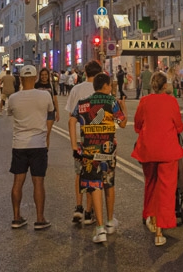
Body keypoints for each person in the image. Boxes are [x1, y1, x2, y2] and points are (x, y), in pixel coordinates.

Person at [70, 72, 126, 244]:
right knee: (108, 183)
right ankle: (110, 222)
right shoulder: (112, 102)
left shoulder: (83, 103)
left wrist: (74, 146)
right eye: (110, 85)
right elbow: (122, 123)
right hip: (108, 151)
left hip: (88, 151)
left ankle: (100, 228)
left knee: (95, 186)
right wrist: (123, 107)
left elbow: (72, 121)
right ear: (106, 86)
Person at [133, 71, 183, 247]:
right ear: (165, 86)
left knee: (151, 183)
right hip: (167, 151)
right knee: (166, 189)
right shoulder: (171, 102)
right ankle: (160, 230)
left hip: (148, 150)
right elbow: (178, 126)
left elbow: (138, 124)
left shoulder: (144, 101)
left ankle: (149, 215)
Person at [7, 65, 55, 231]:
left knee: (18, 181)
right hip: (39, 144)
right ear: (35, 78)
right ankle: (40, 219)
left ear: (20, 79)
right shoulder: (45, 95)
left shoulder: (13, 98)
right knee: (38, 182)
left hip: (19, 144)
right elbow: (51, 112)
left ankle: (16, 217)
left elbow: (10, 113)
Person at [65, 60, 102, 225]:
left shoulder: (76, 89)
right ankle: (89, 212)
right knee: (93, 174)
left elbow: (71, 117)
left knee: (79, 173)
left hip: (80, 137)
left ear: (85, 73)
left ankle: (78, 208)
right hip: (97, 138)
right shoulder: (102, 89)